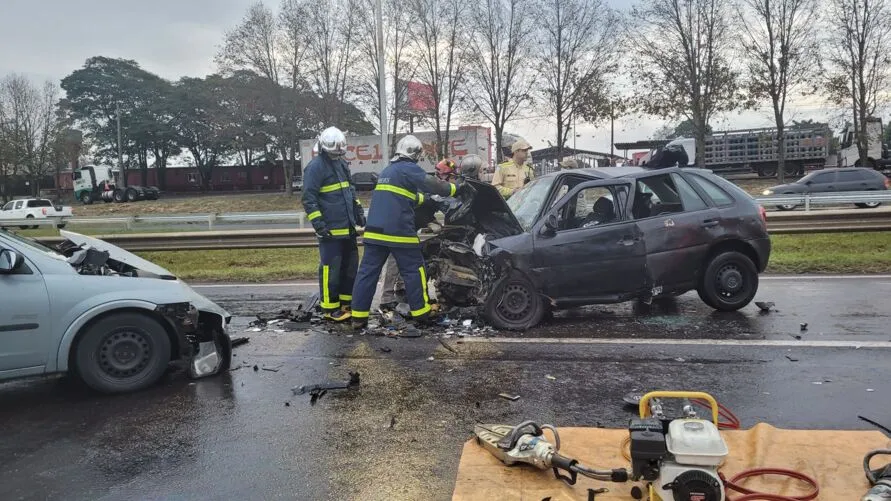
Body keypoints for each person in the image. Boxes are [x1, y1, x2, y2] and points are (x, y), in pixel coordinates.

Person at [351, 136, 461, 329]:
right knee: (414, 269)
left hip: (374, 232)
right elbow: (434, 184)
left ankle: (358, 318)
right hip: (398, 231)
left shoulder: (388, 170)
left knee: (367, 273)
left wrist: (427, 201)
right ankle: (420, 313)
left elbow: (404, 196)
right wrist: (456, 188)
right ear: (416, 154)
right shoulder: (409, 169)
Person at [302, 126, 365, 322]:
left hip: (348, 228)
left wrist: (359, 211)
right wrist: (319, 225)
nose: (337, 155)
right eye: (333, 153)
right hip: (330, 230)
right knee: (331, 270)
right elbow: (309, 199)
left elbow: (350, 191)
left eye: (339, 153)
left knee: (350, 267)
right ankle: (330, 309)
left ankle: (346, 303)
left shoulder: (341, 164)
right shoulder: (315, 168)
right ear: (323, 148)